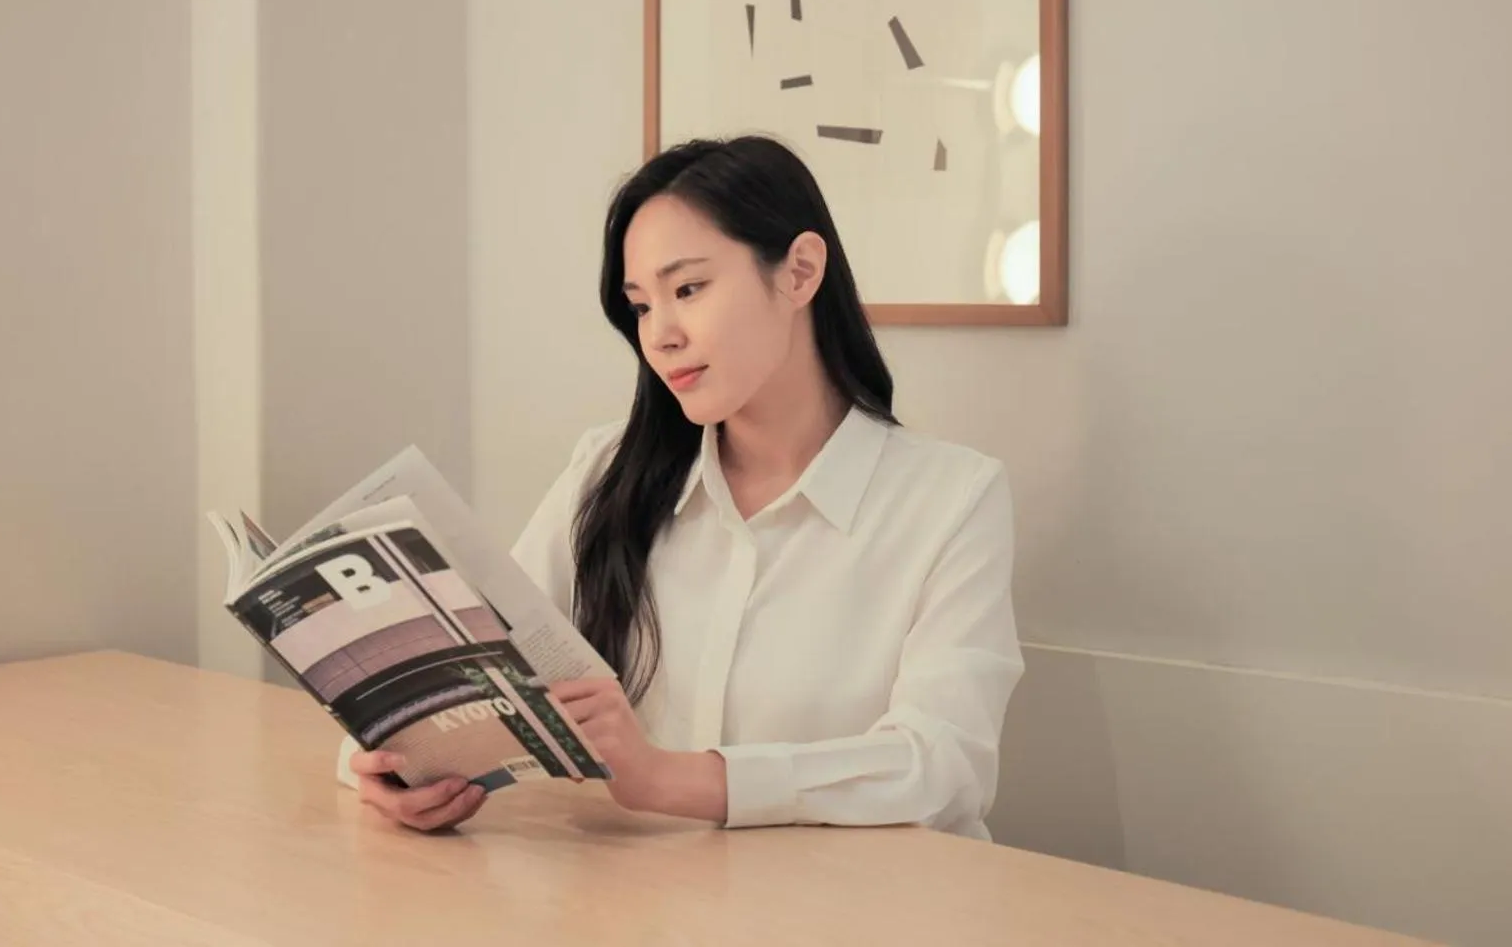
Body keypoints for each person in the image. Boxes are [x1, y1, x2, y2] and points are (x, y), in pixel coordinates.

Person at [344, 135, 1024, 840]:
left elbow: (943, 768)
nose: (660, 335)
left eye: (688, 289)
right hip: (636, 894)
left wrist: (671, 779)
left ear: (799, 272)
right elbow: (475, 665)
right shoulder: (607, 470)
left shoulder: (951, 498)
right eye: (641, 306)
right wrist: (391, 771)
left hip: (851, 899)